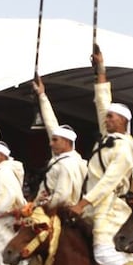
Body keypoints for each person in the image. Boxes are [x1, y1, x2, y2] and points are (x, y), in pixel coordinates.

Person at [67, 45, 133, 265]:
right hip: (95, 207)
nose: (107, 119)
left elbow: (110, 180)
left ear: (124, 121)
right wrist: (100, 71)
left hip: (110, 207)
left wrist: (83, 203)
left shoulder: (125, 146)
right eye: (107, 117)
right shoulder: (108, 138)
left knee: (103, 253)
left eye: (112, 117)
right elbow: (102, 103)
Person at [31, 74, 87, 211]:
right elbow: (51, 125)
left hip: (56, 212)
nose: (51, 144)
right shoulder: (64, 157)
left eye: (55, 140)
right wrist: (42, 96)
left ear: (67, 142)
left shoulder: (68, 164)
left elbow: (62, 196)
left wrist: (39, 207)